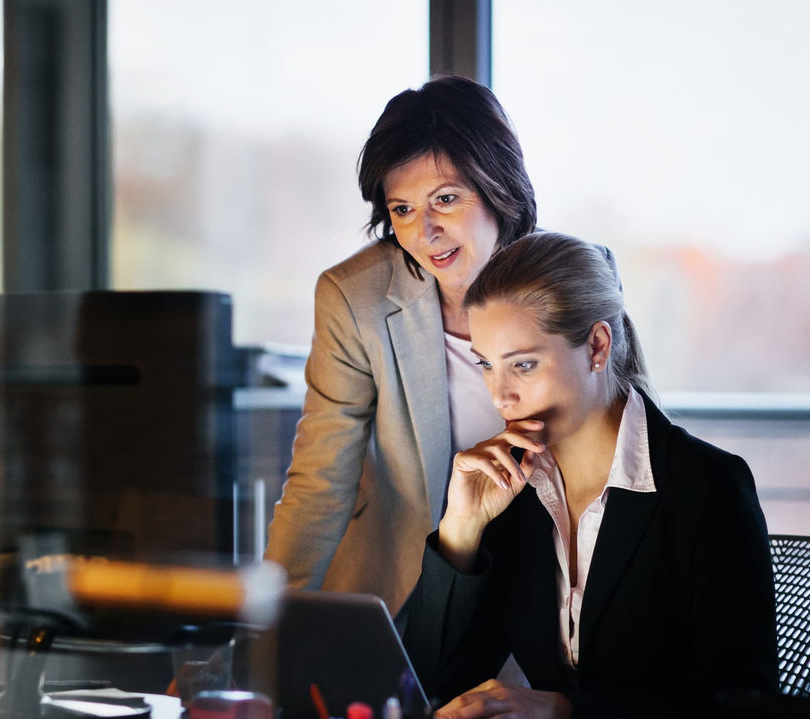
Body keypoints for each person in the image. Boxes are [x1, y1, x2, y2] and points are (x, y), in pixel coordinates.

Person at [402, 232, 778, 718]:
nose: (500, 397)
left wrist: (566, 710)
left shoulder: (706, 487)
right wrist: (461, 530)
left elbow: (744, 704)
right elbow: (436, 682)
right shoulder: (513, 489)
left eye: (524, 365)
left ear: (597, 346)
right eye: (487, 366)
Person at [264, 75, 537, 616]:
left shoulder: (576, 281)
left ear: (498, 187)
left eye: (446, 199)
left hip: (541, 599)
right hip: (404, 596)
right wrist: (256, 638)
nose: (425, 231)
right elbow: (319, 484)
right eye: (403, 209)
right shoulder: (355, 298)